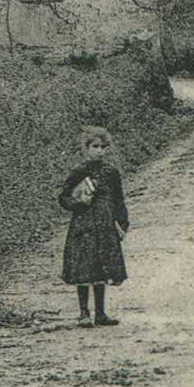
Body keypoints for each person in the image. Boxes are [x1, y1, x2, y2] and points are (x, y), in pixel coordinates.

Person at [58, 124, 129, 326]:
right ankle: (83, 313)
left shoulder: (111, 173)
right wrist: (79, 203)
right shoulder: (78, 172)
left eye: (102, 147)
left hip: (105, 225)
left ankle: (100, 313)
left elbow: (118, 199)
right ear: (86, 148)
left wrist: (122, 223)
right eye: (95, 146)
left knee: (101, 267)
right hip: (84, 226)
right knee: (84, 267)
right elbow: (63, 198)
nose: (99, 151)